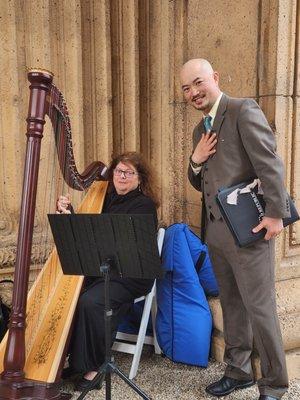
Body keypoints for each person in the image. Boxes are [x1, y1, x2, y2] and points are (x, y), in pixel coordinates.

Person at [180, 58, 290, 400]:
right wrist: (195, 160)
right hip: (216, 236)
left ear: (214, 77)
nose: (194, 92)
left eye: (198, 83)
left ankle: (274, 383)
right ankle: (238, 370)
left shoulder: (243, 110)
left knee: (260, 308)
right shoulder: (201, 131)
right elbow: (201, 183)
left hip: (251, 231)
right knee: (231, 305)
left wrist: (276, 214)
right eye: (186, 88)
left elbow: (270, 164)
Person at [57, 151, 159, 391]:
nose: (122, 176)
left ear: (139, 179)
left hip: (132, 274)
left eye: (128, 172)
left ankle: (96, 367)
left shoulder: (143, 205)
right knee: (71, 298)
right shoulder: (105, 198)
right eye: (118, 171)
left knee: (92, 301)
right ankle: (77, 361)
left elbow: (117, 243)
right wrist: (70, 214)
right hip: (104, 269)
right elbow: (90, 236)